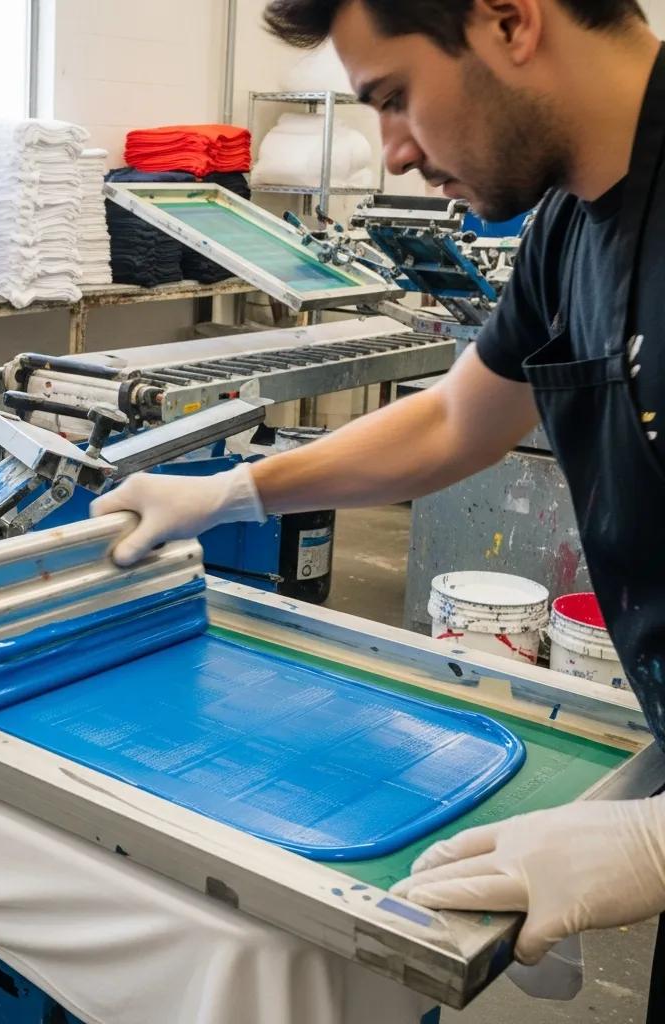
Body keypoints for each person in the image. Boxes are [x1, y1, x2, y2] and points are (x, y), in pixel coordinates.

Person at [91, 0, 665, 1012]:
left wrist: (652, 843)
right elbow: (456, 419)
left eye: (396, 100)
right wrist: (230, 491)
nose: (392, 153)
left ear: (507, 19)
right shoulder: (570, 227)